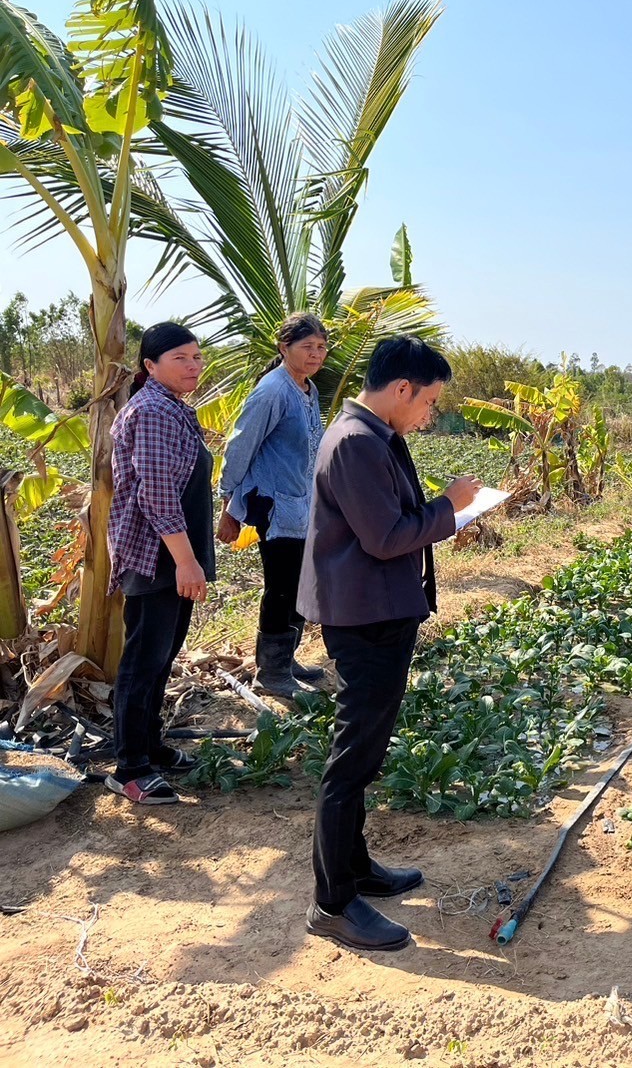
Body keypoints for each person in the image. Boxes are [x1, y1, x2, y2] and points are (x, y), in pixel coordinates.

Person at [298, 336, 481, 951]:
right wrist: (449, 508)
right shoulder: (355, 443)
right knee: (353, 761)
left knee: (367, 751)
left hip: (380, 609)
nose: (429, 413)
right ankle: (331, 903)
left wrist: (439, 513)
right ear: (401, 389)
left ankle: (354, 868)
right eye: (428, 400)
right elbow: (385, 537)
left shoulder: (377, 436)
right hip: (365, 616)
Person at [105, 323, 216, 806]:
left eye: (196, 356)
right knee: (142, 663)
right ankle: (128, 768)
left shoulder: (171, 407)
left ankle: (150, 747)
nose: (193, 365)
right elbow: (157, 495)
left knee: (160, 659)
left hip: (170, 556)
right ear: (150, 366)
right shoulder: (151, 411)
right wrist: (186, 563)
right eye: (181, 358)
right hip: (157, 559)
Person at [216, 312, 330, 696]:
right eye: (306, 347)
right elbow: (240, 445)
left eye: (320, 347)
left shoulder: (307, 389)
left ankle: (287, 659)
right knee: (280, 586)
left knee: (299, 585)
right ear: (284, 348)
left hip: (302, 504)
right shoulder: (273, 391)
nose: (316, 354)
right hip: (276, 506)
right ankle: (271, 673)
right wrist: (227, 503)